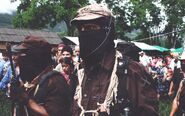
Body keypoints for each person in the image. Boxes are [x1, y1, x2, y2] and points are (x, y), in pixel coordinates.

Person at [71, 4, 158, 116]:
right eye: (81, 29)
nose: (84, 33)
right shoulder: (80, 73)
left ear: (108, 32)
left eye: (91, 27)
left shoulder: (131, 71)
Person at [9, 36, 72, 116]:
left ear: (36, 57)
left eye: (24, 54)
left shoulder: (55, 81)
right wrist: (16, 93)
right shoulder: (32, 78)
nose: (19, 58)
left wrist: (27, 100)